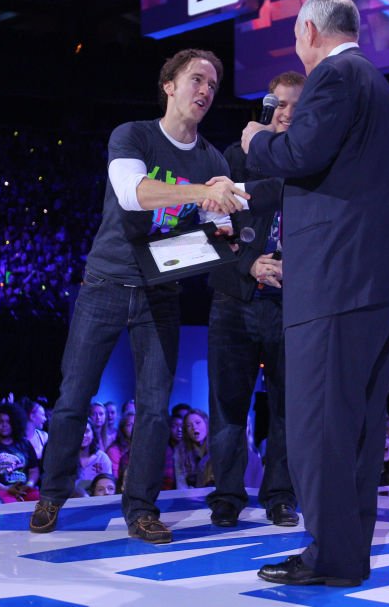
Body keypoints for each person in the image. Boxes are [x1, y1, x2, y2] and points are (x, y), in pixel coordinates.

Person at [29, 48, 247, 544]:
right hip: (105, 285)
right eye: (196, 79)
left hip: (161, 295)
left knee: (153, 407)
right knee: (73, 398)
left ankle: (142, 509)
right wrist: (201, 194)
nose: (206, 91)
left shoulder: (212, 159)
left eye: (213, 85)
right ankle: (51, 494)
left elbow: (217, 228)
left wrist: (228, 223)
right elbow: (134, 194)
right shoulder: (133, 135)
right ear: (169, 85)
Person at [241, 0, 389, 587]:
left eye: (295, 36)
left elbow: (299, 152)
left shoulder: (335, 75)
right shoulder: (376, 82)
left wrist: (255, 141)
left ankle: (330, 556)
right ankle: (342, 555)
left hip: (337, 279)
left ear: (311, 29)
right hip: (377, 278)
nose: (296, 46)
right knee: (358, 427)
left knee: (321, 424)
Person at [205, 71, 305, 529]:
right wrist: (249, 264)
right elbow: (207, 232)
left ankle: (280, 496)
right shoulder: (234, 158)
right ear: (265, 109)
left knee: (286, 408)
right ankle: (227, 495)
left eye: (294, 106)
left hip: (292, 304)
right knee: (228, 406)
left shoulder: (313, 163)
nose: (285, 113)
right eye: (278, 104)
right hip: (235, 300)